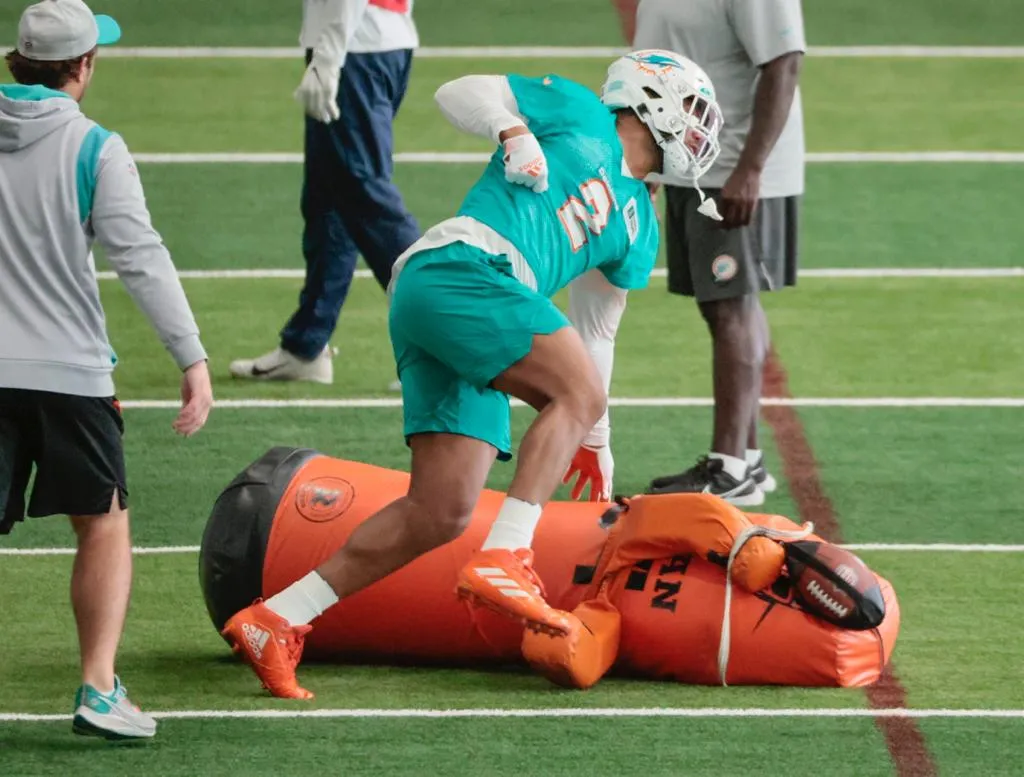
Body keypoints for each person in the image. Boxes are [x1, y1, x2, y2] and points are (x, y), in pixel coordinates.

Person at [220, 49, 724, 699]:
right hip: (460, 269)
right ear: (650, 96)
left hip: (472, 305)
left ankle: (277, 617)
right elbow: (461, 90)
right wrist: (513, 131)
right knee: (572, 395)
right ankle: (508, 554)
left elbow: (597, 332)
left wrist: (593, 436)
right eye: (693, 109)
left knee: (441, 510)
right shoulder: (579, 111)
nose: (700, 130)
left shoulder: (639, 223)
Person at [0, 0, 214, 740]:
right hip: (70, 374)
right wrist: (191, 357)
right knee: (102, 525)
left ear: (14, 61)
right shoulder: (96, 147)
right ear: (82, 68)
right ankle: (97, 688)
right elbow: (141, 259)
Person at [629, 0, 806, 505]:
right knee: (724, 305)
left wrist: (750, 168)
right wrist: (652, 159)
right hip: (691, 163)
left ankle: (727, 469)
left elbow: (783, 63)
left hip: (730, 167)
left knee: (731, 306)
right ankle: (745, 460)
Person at [229, 0, 421, 386]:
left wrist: (328, 57)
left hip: (355, 49)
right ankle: (306, 345)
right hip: (377, 41)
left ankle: (446, 341)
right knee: (329, 199)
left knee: (367, 198)